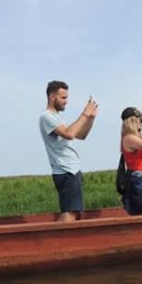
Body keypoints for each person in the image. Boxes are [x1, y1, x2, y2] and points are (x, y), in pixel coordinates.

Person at [39, 80, 99, 221]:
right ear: (52, 97)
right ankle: (54, 242)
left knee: (74, 213)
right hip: (66, 171)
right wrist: (84, 113)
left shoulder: (57, 118)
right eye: (63, 98)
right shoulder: (47, 117)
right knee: (70, 214)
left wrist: (90, 118)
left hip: (71, 171)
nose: (66, 101)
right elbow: (69, 134)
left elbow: (81, 135)